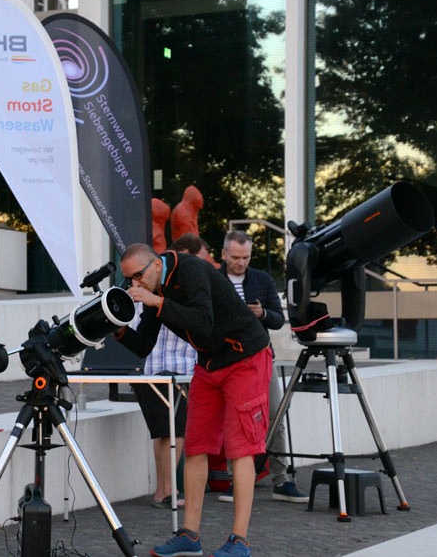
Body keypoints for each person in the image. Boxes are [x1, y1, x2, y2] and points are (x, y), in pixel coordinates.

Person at [116, 243, 272, 557]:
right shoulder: (153, 288)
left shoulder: (191, 269)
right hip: (210, 364)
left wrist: (156, 301)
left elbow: (202, 321)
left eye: (137, 277)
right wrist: (115, 327)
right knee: (197, 443)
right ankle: (190, 535)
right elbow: (145, 344)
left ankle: (239, 542)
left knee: (242, 449)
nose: (134, 285)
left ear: (156, 264)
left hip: (246, 356)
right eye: (129, 280)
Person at [217, 230, 307, 504]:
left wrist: (262, 314)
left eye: (245, 257)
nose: (240, 263)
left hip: (260, 357)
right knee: (236, 422)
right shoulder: (213, 279)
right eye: (235, 257)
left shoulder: (263, 280)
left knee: (275, 417)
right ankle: (236, 482)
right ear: (224, 254)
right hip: (228, 359)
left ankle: (282, 480)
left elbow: (279, 319)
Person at [129, 238, 201, 509]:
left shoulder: (165, 289)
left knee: (167, 432)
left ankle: (163, 490)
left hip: (167, 368)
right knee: (172, 431)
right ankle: (167, 491)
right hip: (167, 368)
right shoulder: (154, 289)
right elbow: (140, 325)